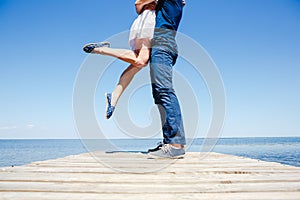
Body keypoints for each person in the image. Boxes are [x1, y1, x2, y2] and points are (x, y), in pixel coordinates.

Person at [83, 0, 156, 119]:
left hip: (145, 23)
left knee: (137, 63)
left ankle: (114, 98)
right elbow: (137, 4)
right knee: (141, 61)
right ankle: (101, 50)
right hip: (147, 22)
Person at [147, 0, 186, 158]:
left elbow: (139, 3)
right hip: (162, 45)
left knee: (164, 90)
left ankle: (176, 144)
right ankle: (169, 141)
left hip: (163, 44)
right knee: (159, 93)